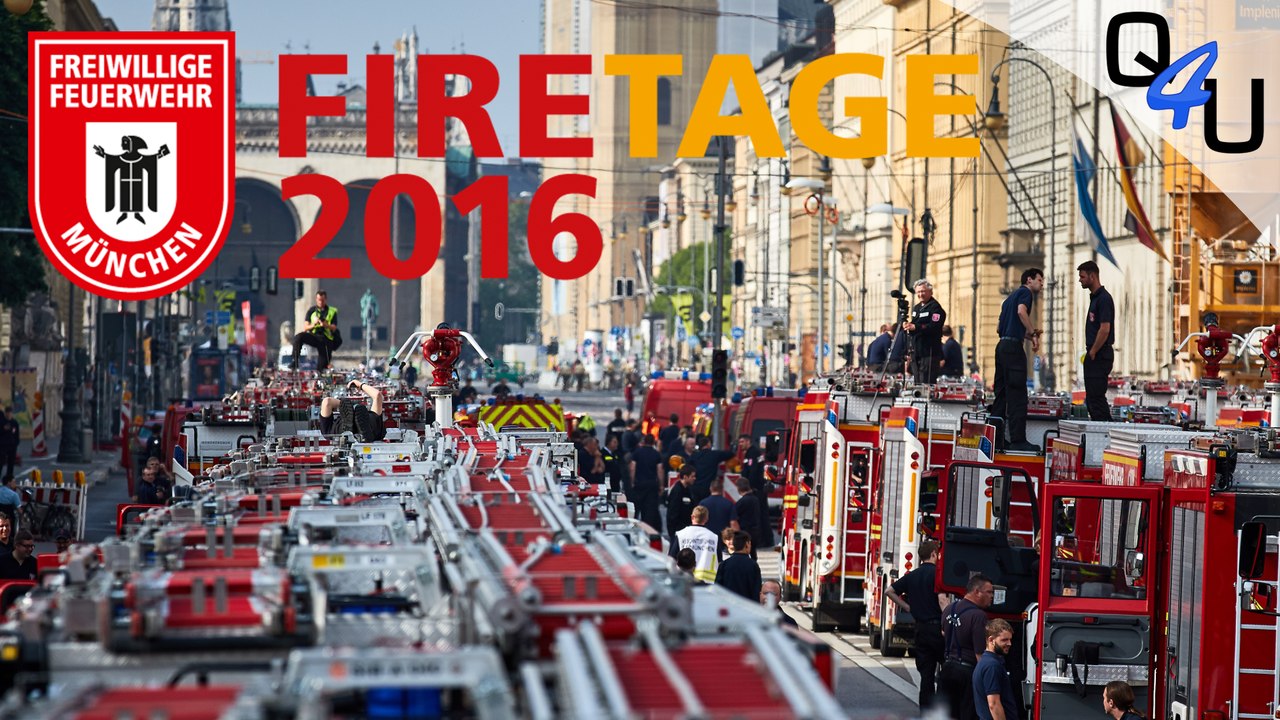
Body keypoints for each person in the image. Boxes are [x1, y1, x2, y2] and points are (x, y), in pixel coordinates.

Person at [885, 541, 945, 711]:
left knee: (926, 676)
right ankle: (942, 710)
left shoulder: (912, 576)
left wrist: (907, 607)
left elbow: (889, 591)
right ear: (933, 554)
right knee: (946, 670)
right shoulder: (938, 575)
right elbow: (942, 600)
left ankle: (926, 712)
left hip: (920, 629)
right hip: (938, 630)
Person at [990, 268, 1044, 453]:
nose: (1042, 284)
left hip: (1002, 347)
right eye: (1039, 280)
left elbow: (999, 328)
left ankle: (996, 438)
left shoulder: (1008, 299)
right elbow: (1022, 312)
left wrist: (1027, 335)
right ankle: (1018, 440)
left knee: (1001, 394)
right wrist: (1033, 333)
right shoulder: (1025, 293)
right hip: (1013, 349)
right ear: (1029, 280)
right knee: (1017, 395)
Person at [940, 573, 996, 720]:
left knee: (946, 715)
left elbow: (943, 633)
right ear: (977, 592)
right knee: (967, 715)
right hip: (966, 673)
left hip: (947, 669)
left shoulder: (949, 609)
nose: (992, 596)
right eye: (989, 592)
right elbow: (979, 654)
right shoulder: (978, 616)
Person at [1079, 260, 1115, 422]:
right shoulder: (1095, 299)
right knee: (1092, 398)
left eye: (1082, 276)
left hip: (1100, 353)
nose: (1080, 280)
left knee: (1096, 397)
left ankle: (1104, 427)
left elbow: (1105, 329)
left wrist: (1093, 351)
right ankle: (1099, 425)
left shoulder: (1103, 299)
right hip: (1095, 352)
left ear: (1092, 276)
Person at [973, 618, 1019, 720]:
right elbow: (993, 704)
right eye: (1004, 640)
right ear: (991, 640)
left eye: (1010, 639)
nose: (1009, 643)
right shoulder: (992, 666)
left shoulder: (986, 662)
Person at [904, 279, 947, 385]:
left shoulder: (935, 308)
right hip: (916, 352)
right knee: (917, 383)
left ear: (930, 292)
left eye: (923, 291)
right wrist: (908, 326)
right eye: (918, 292)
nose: (920, 294)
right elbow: (914, 325)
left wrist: (916, 327)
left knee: (926, 382)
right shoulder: (917, 308)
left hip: (929, 352)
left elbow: (934, 327)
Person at [319, 380, 386, 441]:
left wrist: (344, 405)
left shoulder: (329, 428)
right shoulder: (371, 416)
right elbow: (377, 395)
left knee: (332, 432)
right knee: (374, 423)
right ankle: (362, 436)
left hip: (337, 432)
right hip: (371, 428)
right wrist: (359, 384)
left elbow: (327, 402)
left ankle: (346, 434)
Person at [291, 290, 341, 370]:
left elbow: (334, 327)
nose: (320, 302)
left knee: (321, 367)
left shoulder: (332, 311)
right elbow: (306, 327)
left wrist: (325, 325)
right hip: (315, 336)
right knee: (298, 337)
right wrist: (313, 324)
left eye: (322, 300)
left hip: (326, 339)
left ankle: (322, 370)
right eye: (319, 300)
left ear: (326, 299)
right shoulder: (312, 311)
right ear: (316, 299)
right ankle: (295, 361)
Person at [673, 505, 720, 583]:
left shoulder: (681, 534)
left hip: (684, 580)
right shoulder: (714, 537)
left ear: (692, 517)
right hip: (707, 582)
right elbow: (719, 561)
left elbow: (672, 558)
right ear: (706, 519)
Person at [627, 434, 664, 530]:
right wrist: (661, 485)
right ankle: (647, 531)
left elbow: (632, 468)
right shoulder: (656, 454)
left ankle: (633, 529)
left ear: (644, 441)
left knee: (635, 509)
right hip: (651, 486)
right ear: (653, 442)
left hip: (639, 485)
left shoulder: (637, 453)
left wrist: (632, 482)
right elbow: (660, 470)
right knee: (649, 513)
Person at [715, 531, 761, 601]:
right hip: (747, 604)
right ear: (747, 544)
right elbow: (756, 590)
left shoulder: (724, 564)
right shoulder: (753, 565)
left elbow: (718, 588)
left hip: (728, 604)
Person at [665, 465, 698, 541]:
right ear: (685, 477)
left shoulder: (689, 490)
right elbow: (673, 513)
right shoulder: (677, 491)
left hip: (686, 529)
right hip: (678, 530)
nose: (694, 478)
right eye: (692, 476)